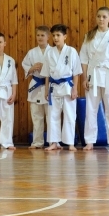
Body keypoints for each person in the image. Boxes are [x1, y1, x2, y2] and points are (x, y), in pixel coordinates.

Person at [80, 7, 109, 151]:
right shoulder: (89, 35)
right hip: (93, 74)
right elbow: (83, 59)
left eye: (104, 17)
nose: (101, 19)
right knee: (91, 109)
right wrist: (84, 78)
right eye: (99, 16)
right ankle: (89, 141)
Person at [41, 24, 81, 152]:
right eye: (53, 35)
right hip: (53, 87)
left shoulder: (71, 51)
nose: (55, 38)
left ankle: (70, 143)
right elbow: (46, 74)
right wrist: (46, 90)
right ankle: (54, 142)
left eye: (58, 35)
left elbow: (76, 72)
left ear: (65, 36)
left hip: (67, 86)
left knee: (70, 115)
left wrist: (75, 89)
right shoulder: (49, 52)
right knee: (52, 116)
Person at [21, 26, 51, 149]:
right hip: (36, 85)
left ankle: (53, 142)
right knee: (36, 116)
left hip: (49, 86)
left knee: (51, 116)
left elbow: (58, 69)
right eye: (38, 35)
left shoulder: (53, 51)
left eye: (42, 35)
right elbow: (25, 66)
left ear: (48, 37)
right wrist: (31, 68)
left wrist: (45, 67)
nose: (40, 37)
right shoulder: (32, 52)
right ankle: (37, 142)